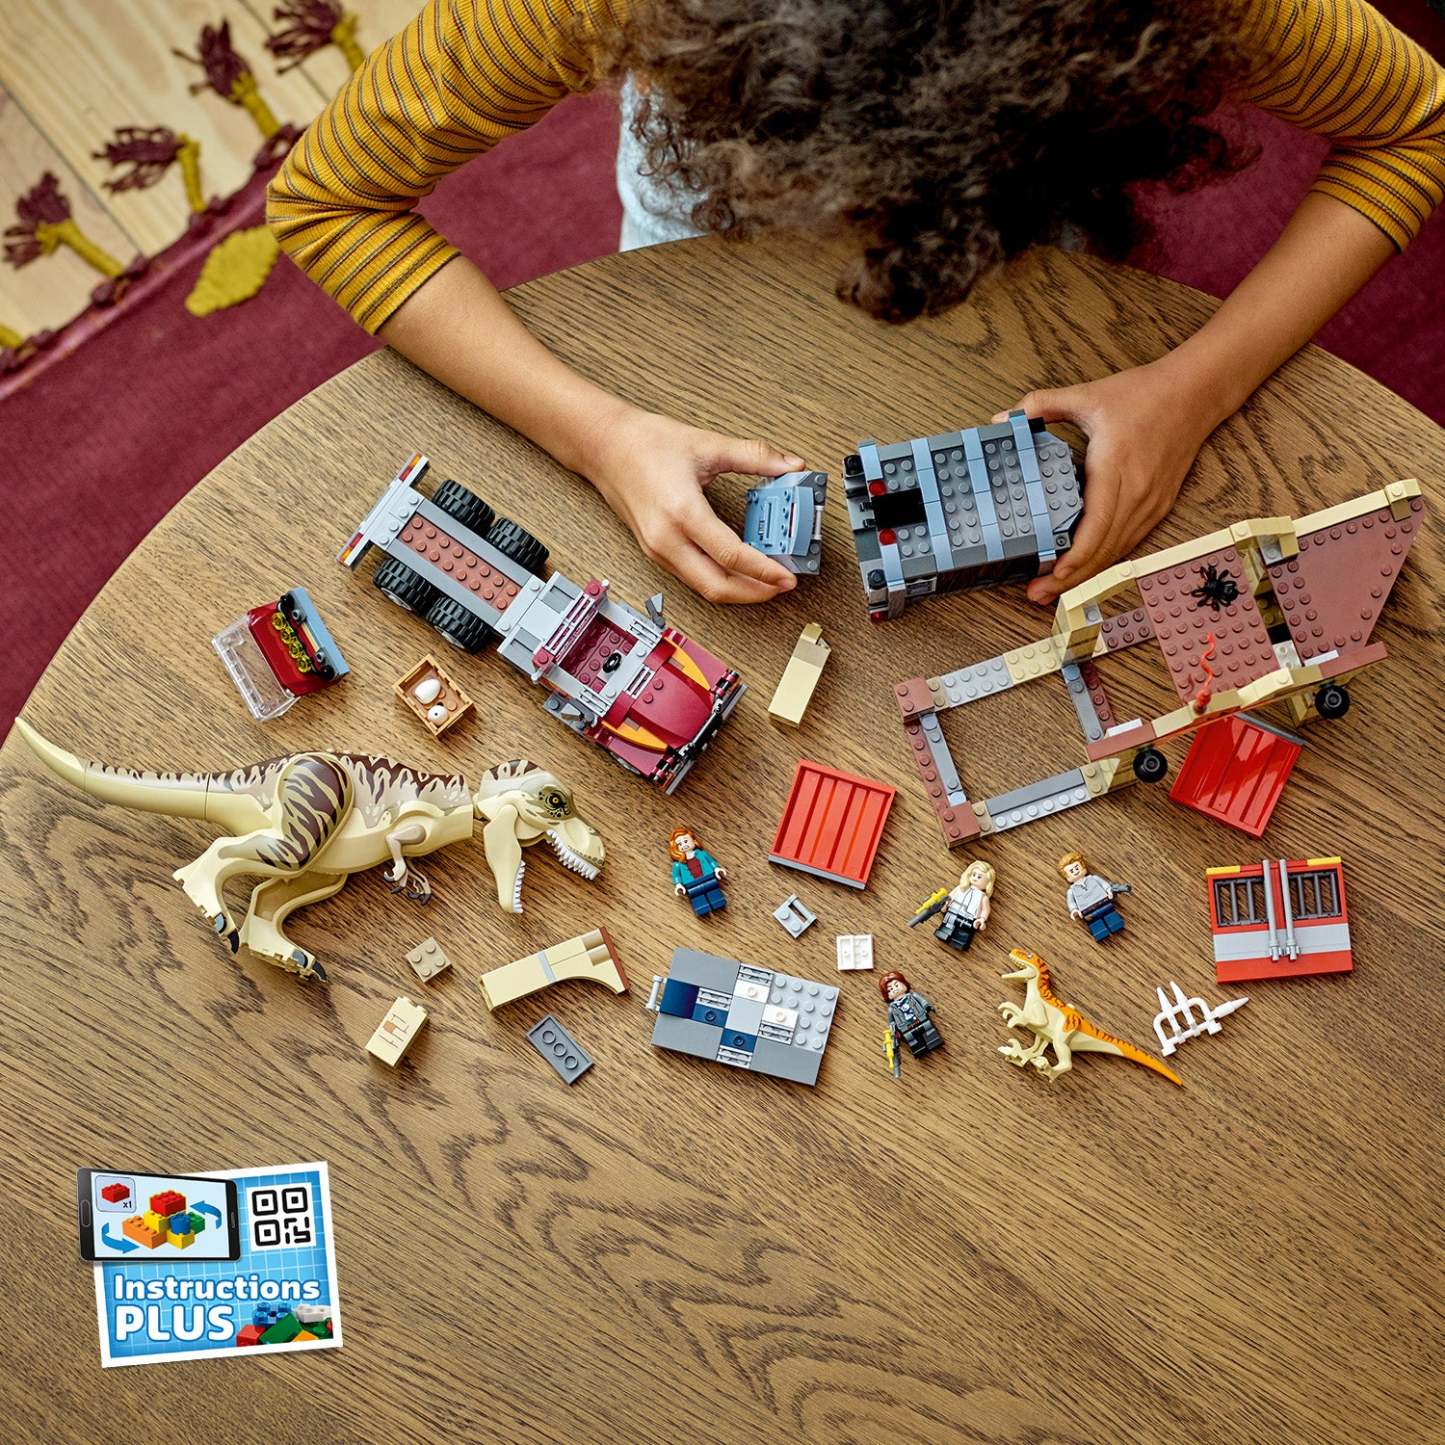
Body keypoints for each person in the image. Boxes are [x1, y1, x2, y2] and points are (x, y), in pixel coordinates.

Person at [268, 1, 1445, 608]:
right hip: (703, 238)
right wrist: (599, 435)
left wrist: (1192, 388)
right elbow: (327, 202)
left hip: (1030, 235)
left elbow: (1415, 124)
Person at [668, 827, 727, 915]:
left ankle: (718, 902)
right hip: (691, 885)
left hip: (708, 878)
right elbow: (676, 875)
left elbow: (711, 861)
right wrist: (678, 884)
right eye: (680, 844)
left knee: (714, 893)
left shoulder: (702, 854)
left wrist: (716, 868)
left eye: (685, 841)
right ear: (676, 848)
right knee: (698, 899)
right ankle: (702, 909)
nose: (684, 845)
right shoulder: (678, 864)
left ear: (693, 840)